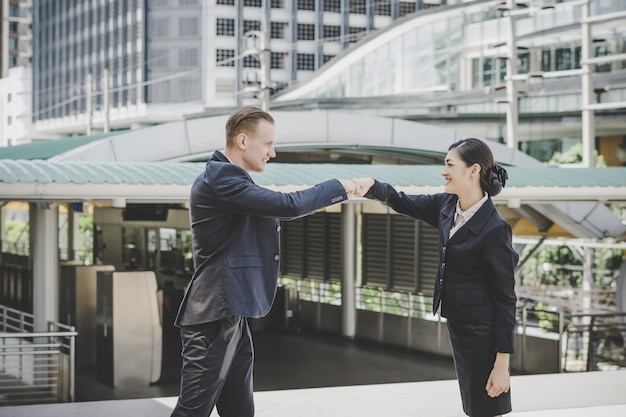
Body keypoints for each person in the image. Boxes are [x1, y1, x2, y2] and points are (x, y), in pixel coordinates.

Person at [171, 106, 356, 417]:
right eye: (268, 143)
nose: (273, 152)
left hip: (232, 314)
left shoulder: (233, 180)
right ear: (243, 141)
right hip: (214, 315)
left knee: (240, 411)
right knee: (192, 412)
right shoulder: (222, 179)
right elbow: (288, 205)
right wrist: (341, 187)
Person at [352, 138, 518, 417]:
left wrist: (502, 364)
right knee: (474, 404)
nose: (444, 171)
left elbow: (506, 298)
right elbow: (402, 201)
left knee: (486, 404)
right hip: (459, 322)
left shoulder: (495, 229)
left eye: (450, 165)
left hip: (483, 331)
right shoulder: (446, 206)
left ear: (473, 170)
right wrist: (372, 186)